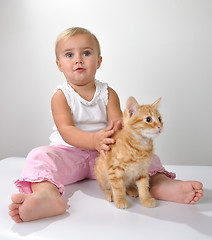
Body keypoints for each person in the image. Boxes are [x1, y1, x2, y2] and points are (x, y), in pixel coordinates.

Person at [8, 27, 203, 223]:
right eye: (69, 55)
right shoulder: (61, 95)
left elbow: (119, 126)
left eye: (86, 53)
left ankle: (161, 184)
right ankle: (46, 196)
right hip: (69, 155)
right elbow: (66, 130)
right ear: (59, 65)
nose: (78, 60)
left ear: (99, 61)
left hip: (106, 155)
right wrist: (93, 140)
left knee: (147, 157)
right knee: (38, 156)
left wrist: (129, 142)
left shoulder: (108, 93)